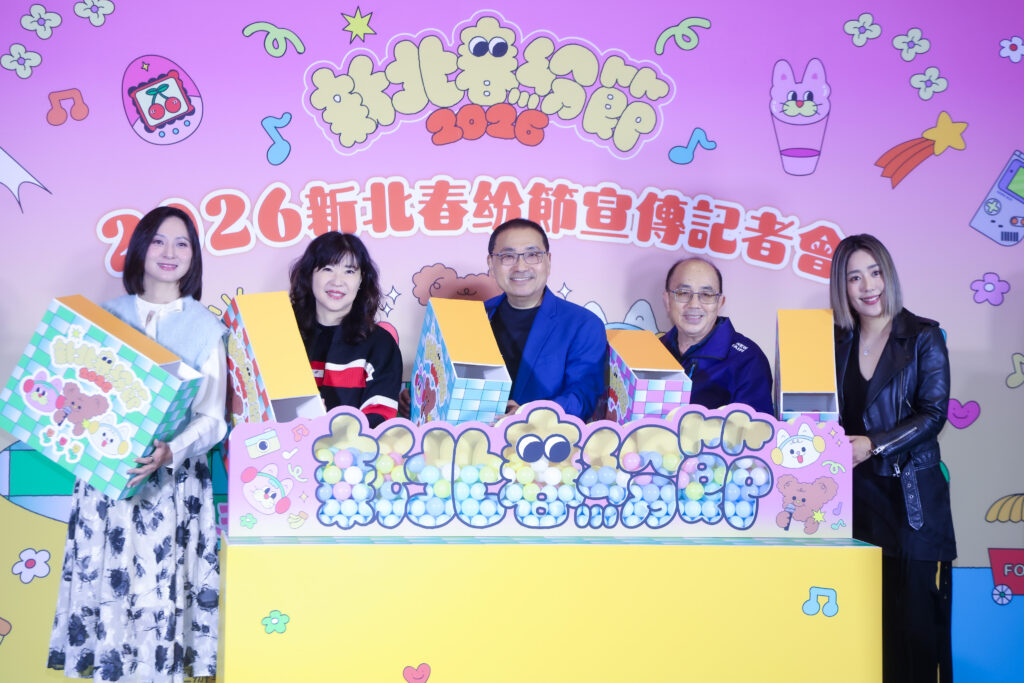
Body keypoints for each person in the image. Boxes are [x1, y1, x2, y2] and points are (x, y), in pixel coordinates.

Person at [48, 206, 227, 681]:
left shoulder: (205, 328)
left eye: (182, 243)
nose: (170, 252)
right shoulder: (104, 318)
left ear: (194, 257)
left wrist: (172, 451)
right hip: (105, 482)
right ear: (141, 248)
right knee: (105, 589)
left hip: (171, 484)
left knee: (157, 594)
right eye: (159, 240)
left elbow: (213, 417)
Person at [830, 234, 955, 682]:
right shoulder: (834, 341)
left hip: (912, 502)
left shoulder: (923, 336)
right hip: (853, 503)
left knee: (915, 629)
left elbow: (933, 414)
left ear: (889, 275)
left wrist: (873, 444)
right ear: (841, 287)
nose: (868, 286)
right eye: (854, 277)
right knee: (866, 627)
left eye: (875, 272)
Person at [484, 218, 606, 420]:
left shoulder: (583, 324)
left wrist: (529, 415)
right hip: (473, 435)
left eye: (532, 255)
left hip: (545, 437)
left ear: (548, 261)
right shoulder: (474, 317)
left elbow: (582, 397)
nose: (520, 266)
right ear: (491, 263)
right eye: (508, 256)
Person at [289, 232, 401, 427]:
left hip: (354, 446)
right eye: (328, 268)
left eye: (349, 271)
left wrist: (328, 428)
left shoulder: (380, 344)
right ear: (309, 274)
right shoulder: (284, 337)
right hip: (289, 445)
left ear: (361, 280)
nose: (337, 281)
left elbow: (380, 419)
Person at [659, 257, 774, 415]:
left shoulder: (748, 361)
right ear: (667, 301)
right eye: (683, 293)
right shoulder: (654, 351)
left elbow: (755, 428)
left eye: (707, 294)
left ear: (720, 302)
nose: (694, 304)